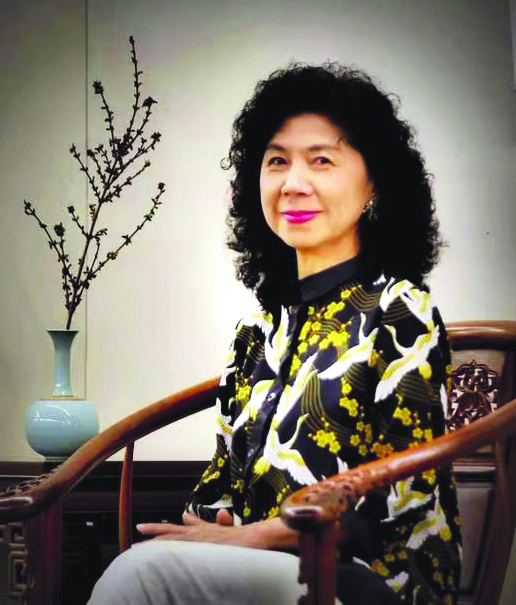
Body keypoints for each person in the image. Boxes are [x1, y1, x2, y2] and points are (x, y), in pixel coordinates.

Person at [89, 63, 462, 605]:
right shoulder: (257, 333)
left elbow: (397, 500)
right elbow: (220, 485)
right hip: (264, 572)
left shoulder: (399, 312)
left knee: (142, 575)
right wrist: (218, 524)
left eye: (321, 160)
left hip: (369, 580)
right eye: (277, 161)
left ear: (374, 184)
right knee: (145, 566)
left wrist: (247, 538)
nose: (293, 183)